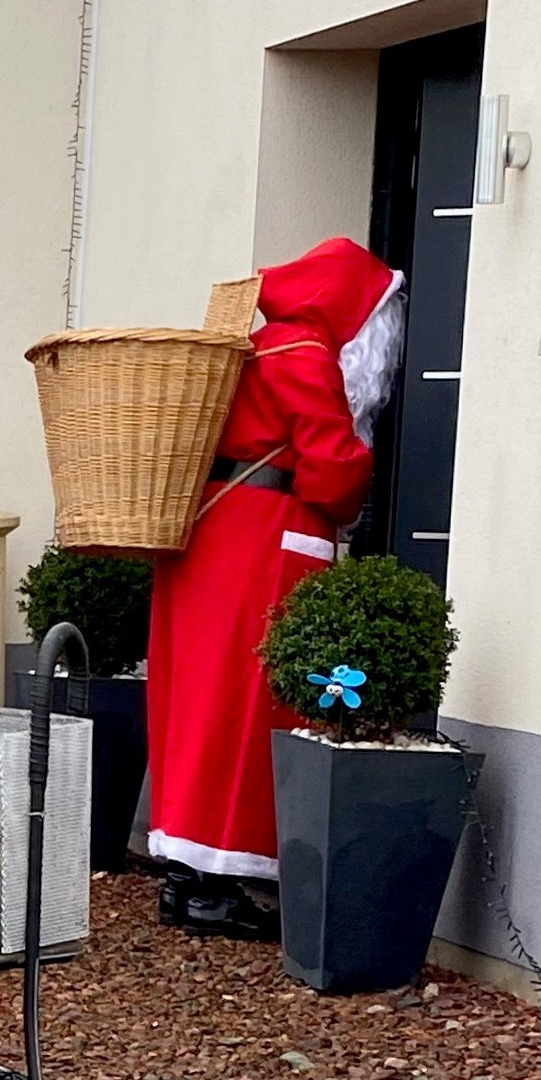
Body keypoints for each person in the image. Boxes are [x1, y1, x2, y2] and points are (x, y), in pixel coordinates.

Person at [144, 235, 404, 938]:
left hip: (212, 533)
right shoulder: (302, 352)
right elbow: (333, 462)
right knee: (243, 706)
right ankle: (217, 885)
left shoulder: (258, 343)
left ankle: (185, 874)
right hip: (260, 540)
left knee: (195, 703)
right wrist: (356, 490)